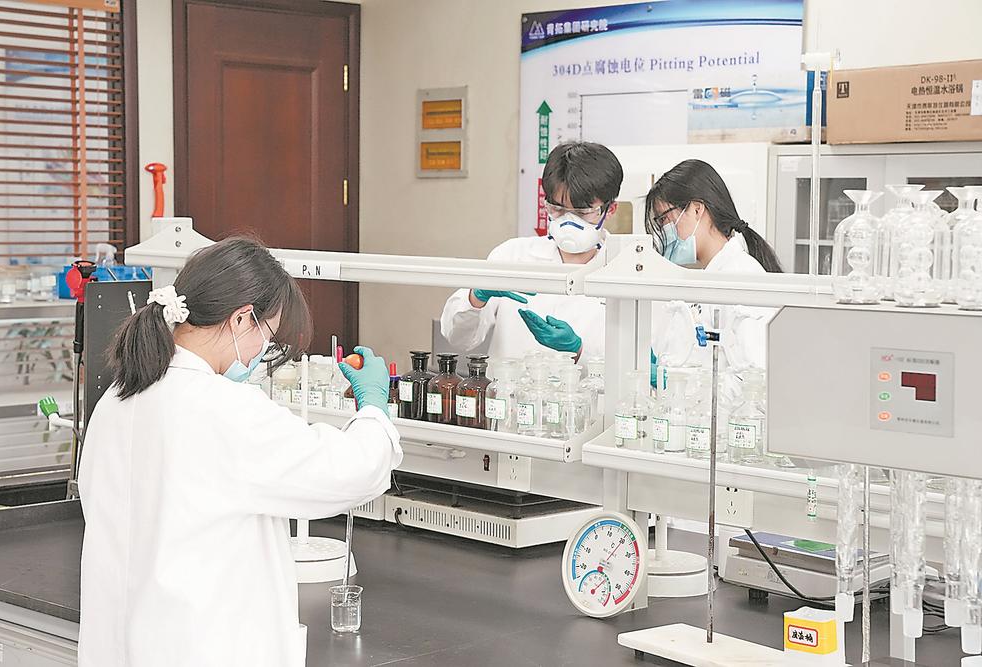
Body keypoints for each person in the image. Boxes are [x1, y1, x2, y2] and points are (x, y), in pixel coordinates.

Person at [78, 237, 402, 667]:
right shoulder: (224, 410)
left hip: (123, 647)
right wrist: (374, 408)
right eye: (268, 336)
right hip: (201, 648)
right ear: (241, 319)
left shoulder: (119, 397)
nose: (263, 352)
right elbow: (351, 471)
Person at [441, 141, 622, 361]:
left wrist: (579, 350)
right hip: (507, 384)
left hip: (587, 385)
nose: (568, 222)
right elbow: (458, 338)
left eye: (582, 212)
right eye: (558, 209)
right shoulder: (512, 255)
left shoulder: (625, 269)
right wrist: (475, 297)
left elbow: (633, 365)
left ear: (610, 209)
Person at [645, 159, 782, 377]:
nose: (664, 231)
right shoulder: (710, 275)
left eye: (665, 219)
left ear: (696, 209)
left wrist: (684, 382)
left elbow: (754, 380)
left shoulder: (740, 275)